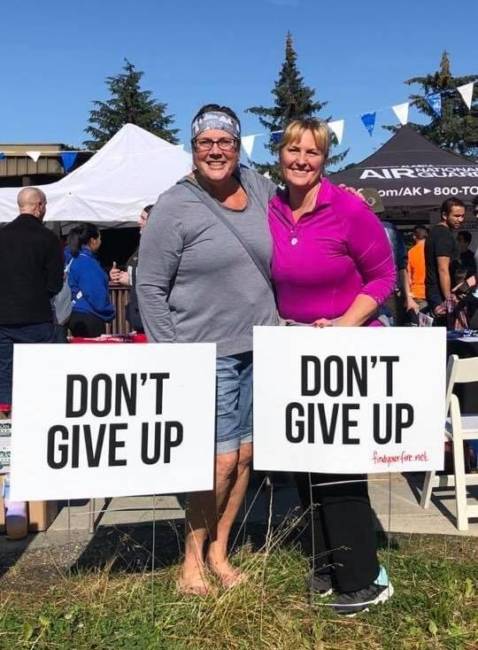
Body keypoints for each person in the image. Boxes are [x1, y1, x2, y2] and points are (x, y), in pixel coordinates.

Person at [137, 104, 277, 595]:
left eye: (226, 141)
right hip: (205, 352)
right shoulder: (176, 204)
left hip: (262, 346)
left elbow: (301, 208)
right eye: (205, 143)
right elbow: (149, 285)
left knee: (245, 456)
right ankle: (189, 562)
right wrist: (172, 354)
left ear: (239, 147)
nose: (216, 150)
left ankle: (220, 551)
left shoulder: (259, 187)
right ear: (192, 149)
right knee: (216, 461)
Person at [268, 119, 396, 616]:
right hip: (295, 349)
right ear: (279, 154)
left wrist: (344, 324)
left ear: (326, 159)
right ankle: (326, 565)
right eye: (293, 149)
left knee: (339, 469)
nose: (301, 159)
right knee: (304, 464)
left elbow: (384, 276)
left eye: (313, 152)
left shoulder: (346, 209)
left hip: (348, 346)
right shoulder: (272, 206)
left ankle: (362, 579)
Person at [0, 187, 63, 418]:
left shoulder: (2, 234)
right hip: (36, 315)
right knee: (39, 369)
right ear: (39, 206)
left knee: (4, 370)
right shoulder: (48, 238)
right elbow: (55, 283)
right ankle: (37, 414)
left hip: (3, 316)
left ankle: (5, 419)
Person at [109, 204, 154, 332]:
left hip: (150, 313)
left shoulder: (159, 246)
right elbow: (133, 269)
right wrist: (117, 274)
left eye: (143, 218)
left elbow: (158, 275)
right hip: (138, 310)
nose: (138, 221)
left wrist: (131, 278)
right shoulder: (142, 245)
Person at [67, 223, 115, 337]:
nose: (100, 241)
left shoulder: (75, 258)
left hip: (77, 312)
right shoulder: (87, 263)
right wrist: (109, 310)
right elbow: (95, 293)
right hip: (88, 315)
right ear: (93, 240)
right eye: (99, 238)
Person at [425, 198, 465, 321]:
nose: (460, 219)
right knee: (447, 337)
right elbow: (443, 268)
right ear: (444, 215)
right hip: (440, 295)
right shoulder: (443, 234)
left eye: (462, 216)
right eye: (456, 216)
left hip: (436, 292)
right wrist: (448, 298)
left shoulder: (436, 232)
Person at [407, 226, 428, 311]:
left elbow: (408, 277)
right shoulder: (432, 249)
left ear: (414, 236)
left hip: (416, 293)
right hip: (431, 292)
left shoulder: (411, 252)